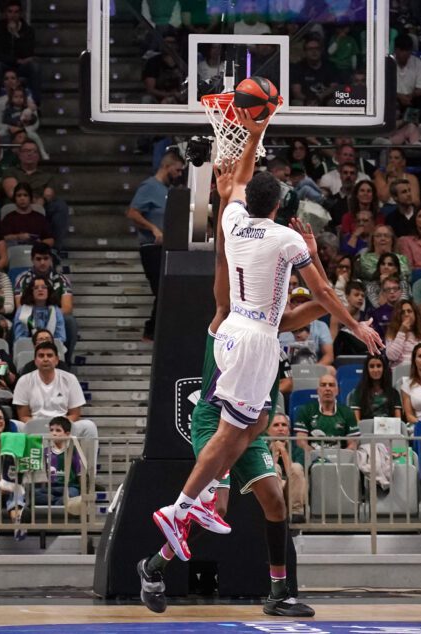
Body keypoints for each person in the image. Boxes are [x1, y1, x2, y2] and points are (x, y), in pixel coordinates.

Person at [152, 112, 381, 570]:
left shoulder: (234, 219)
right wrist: (354, 325)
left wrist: (256, 129)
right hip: (256, 337)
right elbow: (320, 291)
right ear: (278, 206)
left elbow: (236, 183)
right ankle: (181, 508)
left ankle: (195, 501)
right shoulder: (284, 238)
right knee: (234, 429)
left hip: (233, 329)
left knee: (255, 422)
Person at [137, 165, 328, 617]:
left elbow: (319, 302)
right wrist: (227, 204)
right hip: (216, 421)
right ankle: (154, 566)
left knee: (276, 499)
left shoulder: (270, 322)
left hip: (251, 428)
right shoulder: (226, 315)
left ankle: (278, 593)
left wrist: (312, 258)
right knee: (212, 508)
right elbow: (225, 260)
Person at [125, 152, 183, 341]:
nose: (179, 174)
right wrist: (154, 229)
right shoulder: (149, 187)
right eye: (177, 169)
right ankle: (151, 331)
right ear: (167, 166)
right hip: (151, 247)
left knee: (167, 290)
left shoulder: (167, 190)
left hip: (166, 248)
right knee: (162, 289)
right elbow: (133, 213)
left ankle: (156, 330)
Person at [12, 342, 96, 445]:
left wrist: (58, 426)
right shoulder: (24, 380)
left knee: (89, 426)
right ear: (35, 361)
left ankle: (88, 462)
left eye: (50, 355)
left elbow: (75, 414)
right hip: (35, 427)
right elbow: (23, 416)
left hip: (63, 426)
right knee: (13, 424)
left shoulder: (69, 379)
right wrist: (41, 425)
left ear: (56, 360)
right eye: (41, 356)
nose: (45, 359)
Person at [34, 417, 83, 506]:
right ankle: (57, 501)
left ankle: (56, 501)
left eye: (58, 430)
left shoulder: (74, 451)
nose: (54, 433)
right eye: (51, 430)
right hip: (51, 488)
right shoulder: (45, 451)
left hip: (69, 487)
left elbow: (80, 474)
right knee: (33, 494)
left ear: (67, 434)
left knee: (72, 494)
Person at [348, 354, 402, 421]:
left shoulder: (394, 393)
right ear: (367, 370)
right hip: (366, 430)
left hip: (389, 430)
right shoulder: (357, 393)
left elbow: (398, 422)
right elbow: (356, 422)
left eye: (379, 366)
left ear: (384, 369)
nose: (375, 370)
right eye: (372, 366)